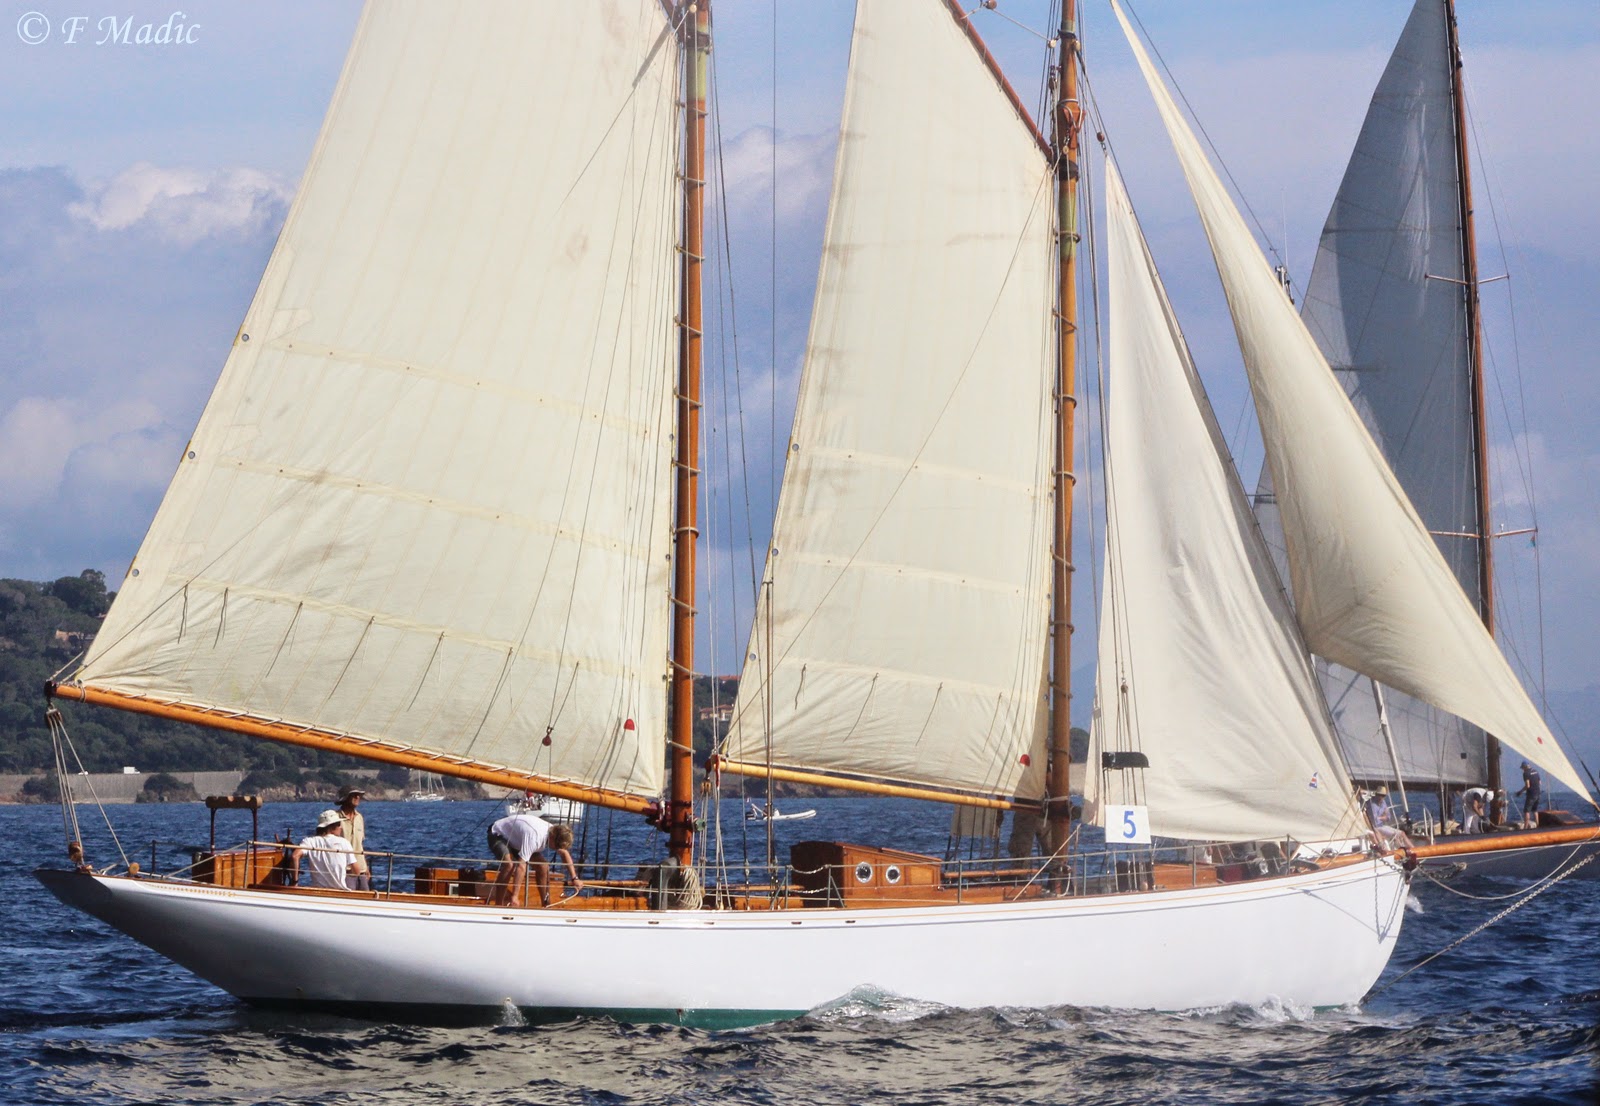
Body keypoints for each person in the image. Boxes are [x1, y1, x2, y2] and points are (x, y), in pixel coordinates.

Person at [486, 812, 583, 907]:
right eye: (557, 846)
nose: (556, 849)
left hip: (517, 841)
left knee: (543, 867)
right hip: (498, 834)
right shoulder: (535, 838)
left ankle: (545, 904)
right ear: (552, 837)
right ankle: (499, 904)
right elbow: (521, 866)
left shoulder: (553, 832)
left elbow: (564, 853)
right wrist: (515, 896)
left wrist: (574, 878)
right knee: (509, 865)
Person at [293, 808, 358, 890]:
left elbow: (295, 856)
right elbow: (357, 871)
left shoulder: (310, 841)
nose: (341, 827)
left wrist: (295, 882)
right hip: (340, 891)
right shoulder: (344, 842)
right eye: (339, 824)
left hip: (318, 891)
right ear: (331, 827)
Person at [337, 785, 371, 891]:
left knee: (366, 898)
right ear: (345, 798)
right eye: (354, 795)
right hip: (345, 870)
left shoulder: (359, 817)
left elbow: (360, 844)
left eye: (359, 795)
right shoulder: (335, 818)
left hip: (361, 870)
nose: (357, 797)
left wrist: (366, 867)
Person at [1364, 786, 1413, 851]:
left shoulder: (1383, 803)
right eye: (1379, 795)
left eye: (1383, 795)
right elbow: (1375, 819)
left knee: (1402, 833)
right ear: (1376, 794)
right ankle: (1401, 851)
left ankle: (1414, 849)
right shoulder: (1371, 804)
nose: (1381, 797)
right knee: (1395, 835)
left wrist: (1382, 817)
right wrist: (1383, 817)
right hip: (1376, 827)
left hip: (1382, 825)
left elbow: (1388, 816)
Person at [1515, 762, 1543, 828]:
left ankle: (1526, 827)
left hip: (1531, 794)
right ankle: (1537, 825)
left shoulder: (1526, 773)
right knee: (1535, 810)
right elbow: (1540, 782)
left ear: (1524, 767)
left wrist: (1520, 792)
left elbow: (1527, 785)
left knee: (1526, 811)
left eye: (1523, 768)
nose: (1523, 769)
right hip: (1538, 793)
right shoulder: (1535, 771)